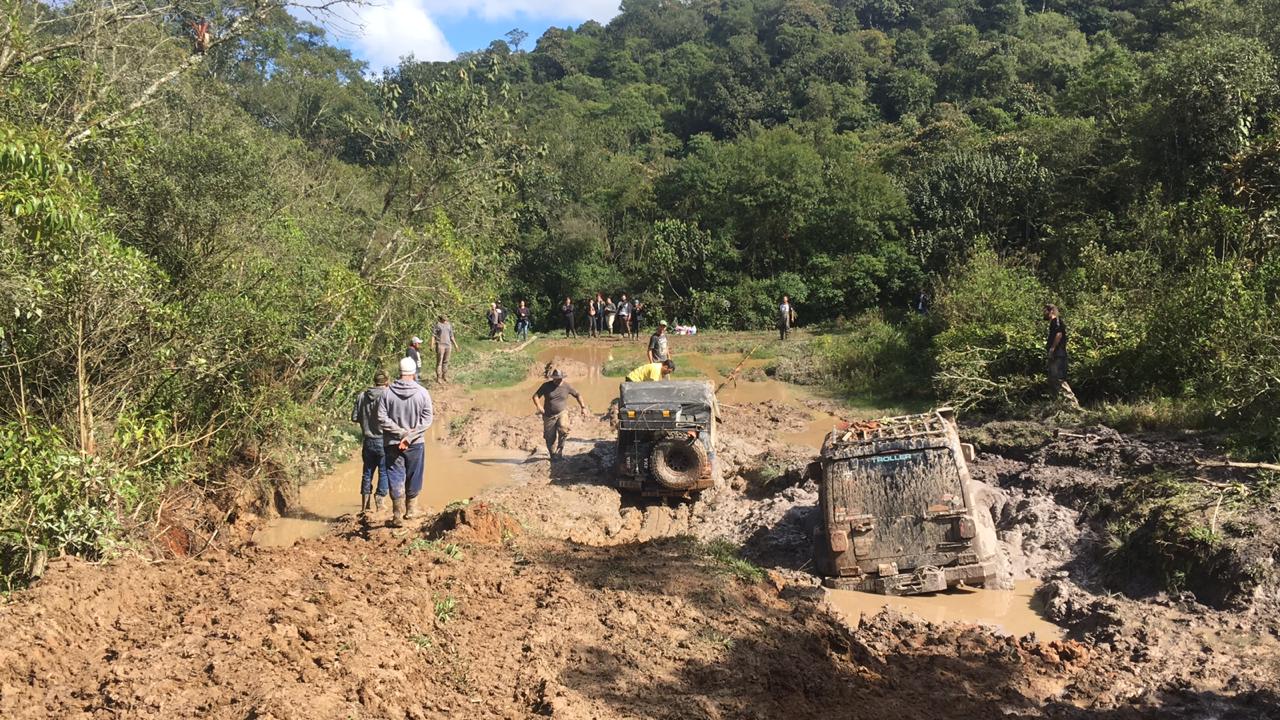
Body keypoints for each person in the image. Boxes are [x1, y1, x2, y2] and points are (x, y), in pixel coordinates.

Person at [377, 357, 434, 527]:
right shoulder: (422, 392)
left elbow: (381, 417)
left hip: (392, 443)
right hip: (415, 443)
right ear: (414, 373)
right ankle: (411, 510)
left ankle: (396, 514)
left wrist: (400, 433)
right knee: (414, 474)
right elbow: (427, 419)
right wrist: (409, 436)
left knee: (395, 474)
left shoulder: (387, 393)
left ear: (399, 372)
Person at [350, 369, 390, 517]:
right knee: (384, 471)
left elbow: (354, 417)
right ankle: (380, 501)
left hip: (367, 441)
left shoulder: (361, 396)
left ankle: (364, 506)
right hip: (383, 440)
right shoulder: (388, 395)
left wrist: (366, 420)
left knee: (367, 473)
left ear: (374, 381)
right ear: (386, 382)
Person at [532, 369, 588, 459]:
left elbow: (578, 395)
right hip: (548, 415)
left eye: (559, 378)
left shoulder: (567, 386)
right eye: (555, 378)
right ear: (552, 378)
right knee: (550, 437)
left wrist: (583, 407)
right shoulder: (546, 386)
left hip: (562, 412)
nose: (557, 380)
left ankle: (560, 450)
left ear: (562, 378)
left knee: (564, 428)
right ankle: (552, 454)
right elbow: (535, 396)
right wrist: (539, 406)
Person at [1044, 304, 1080, 408]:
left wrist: (1052, 349)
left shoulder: (1057, 321)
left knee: (1059, 379)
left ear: (1051, 311)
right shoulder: (1053, 323)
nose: (1044, 314)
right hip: (1054, 355)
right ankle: (1059, 404)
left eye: (1045, 311)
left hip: (1058, 354)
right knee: (1052, 379)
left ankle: (1073, 404)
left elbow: (1059, 334)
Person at [432, 315, 459, 383]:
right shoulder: (437, 325)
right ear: (441, 318)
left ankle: (445, 376)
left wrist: (456, 345)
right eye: (444, 318)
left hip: (448, 345)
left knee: (446, 361)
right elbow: (433, 335)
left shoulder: (449, 325)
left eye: (446, 317)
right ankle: (439, 377)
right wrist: (432, 344)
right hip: (440, 345)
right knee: (439, 362)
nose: (446, 319)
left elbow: (451, 336)